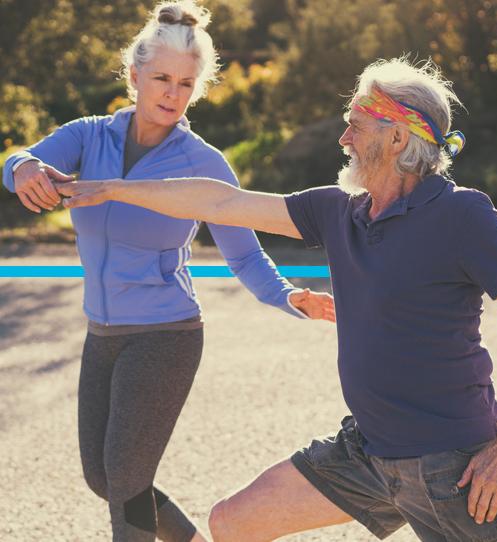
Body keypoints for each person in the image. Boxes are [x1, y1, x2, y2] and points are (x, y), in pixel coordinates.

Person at [55, 56, 497, 541]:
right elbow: (221, 201)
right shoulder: (338, 211)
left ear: (398, 137)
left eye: (356, 125)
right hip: (366, 455)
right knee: (233, 523)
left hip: (453, 465)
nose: (343, 138)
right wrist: (115, 189)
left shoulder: (461, 215)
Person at [1, 2, 335, 541]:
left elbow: (245, 254)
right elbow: (18, 158)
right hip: (101, 333)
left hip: (166, 336)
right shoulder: (90, 136)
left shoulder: (204, 164)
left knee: (128, 481)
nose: (171, 93)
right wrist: (23, 170)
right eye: (160, 78)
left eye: (185, 83)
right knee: (103, 477)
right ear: (133, 76)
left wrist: (288, 296)